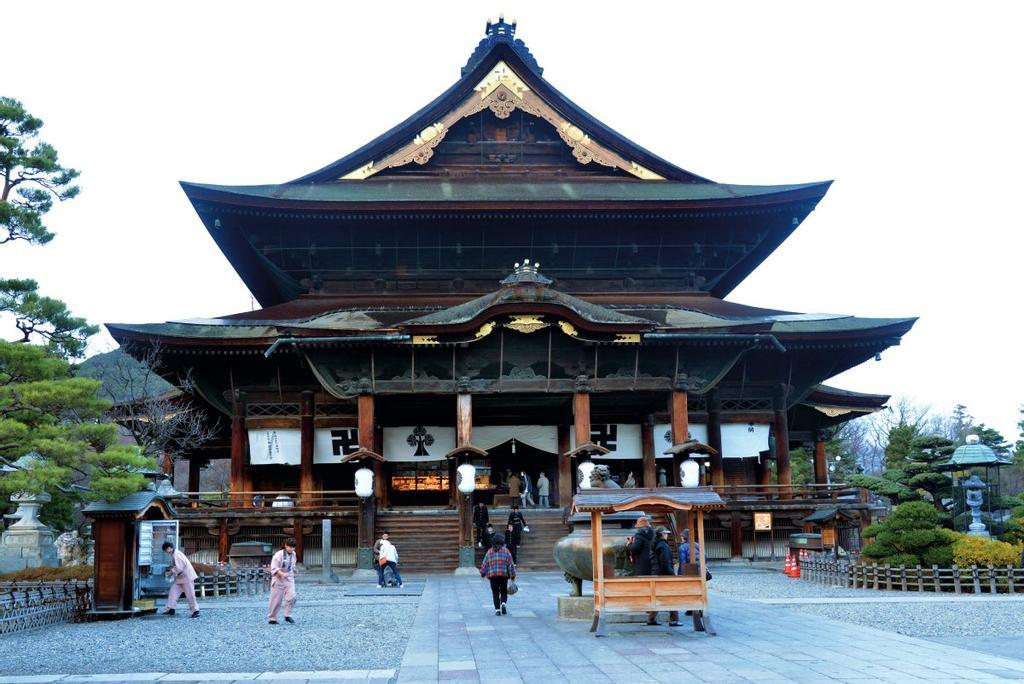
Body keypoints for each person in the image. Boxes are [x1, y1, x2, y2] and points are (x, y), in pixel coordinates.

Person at [650, 527, 682, 627]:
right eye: (666, 533)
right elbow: (665, 562)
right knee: (672, 597)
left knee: (656, 597)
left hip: (657, 574)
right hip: (665, 575)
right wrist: (671, 574)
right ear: (662, 534)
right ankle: (674, 619)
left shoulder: (656, 544)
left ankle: (651, 618)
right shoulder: (663, 546)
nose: (667, 535)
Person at [479, 533, 516, 615]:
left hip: (493, 576)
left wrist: (482, 573)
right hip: (504, 575)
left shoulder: (489, 551)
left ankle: (497, 611)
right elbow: (511, 564)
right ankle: (503, 603)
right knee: (503, 591)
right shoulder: (506, 551)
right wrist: (513, 575)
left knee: (495, 592)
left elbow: (485, 563)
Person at [161, 542, 199, 618]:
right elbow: (178, 567)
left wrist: (170, 572)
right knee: (173, 592)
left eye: (165, 550)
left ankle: (195, 611)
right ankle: (171, 609)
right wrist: (172, 572)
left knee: (190, 595)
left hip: (187, 577)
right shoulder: (175, 553)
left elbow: (179, 568)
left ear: (169, 548)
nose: (166, 552)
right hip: (181, 577)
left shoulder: (176, 554)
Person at [267, 537, 298, 625]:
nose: (291, 549)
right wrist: (281, 574)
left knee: (292, 596)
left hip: (289, 577)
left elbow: (292, 565)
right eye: (289, 547)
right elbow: (274, 568)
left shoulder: (294, 554)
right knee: (276, 599)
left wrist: (295, 570)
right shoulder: (278, 555)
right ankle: (272, 618)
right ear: (285, 546)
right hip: (278, 578)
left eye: (293, 547)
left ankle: (287, 615)